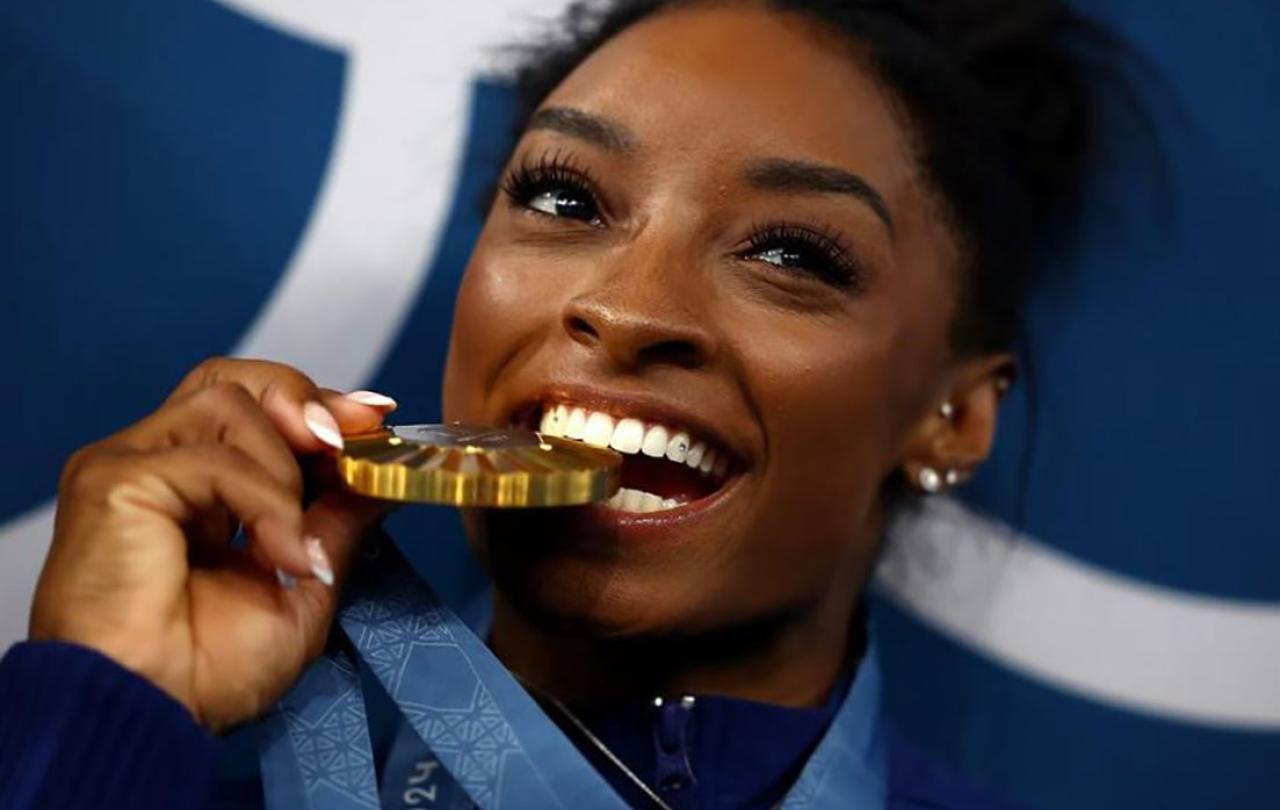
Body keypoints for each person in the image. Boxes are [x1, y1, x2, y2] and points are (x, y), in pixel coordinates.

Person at [0, 0, 1103, 807]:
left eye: (790, 253)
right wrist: (116, 699)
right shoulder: (116, 773)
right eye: (563, 197)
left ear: (951, 414)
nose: (623, 309)